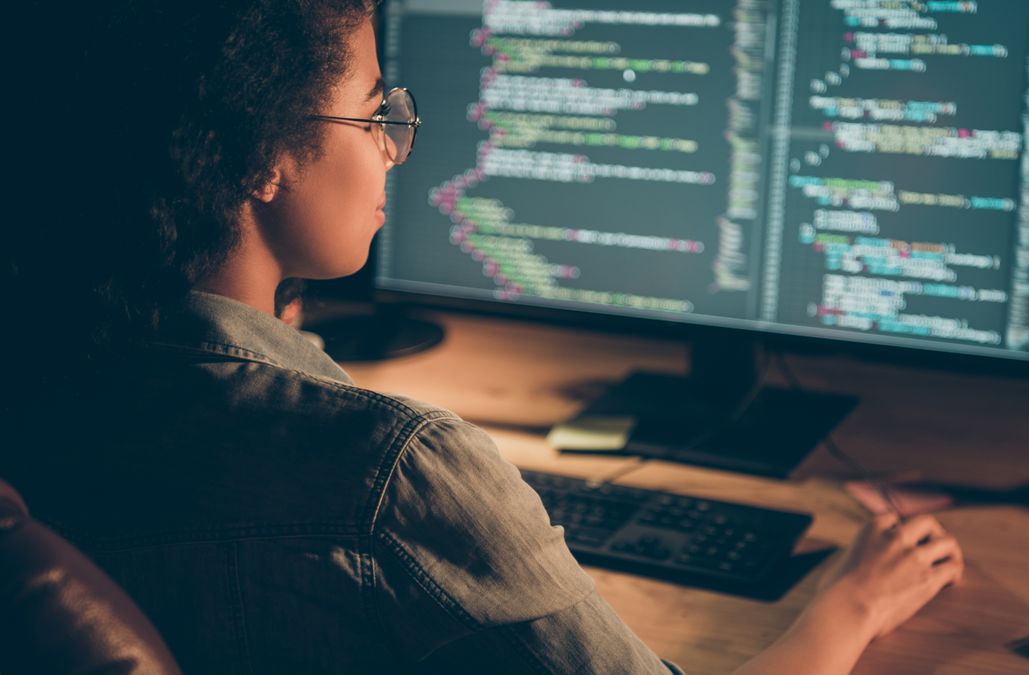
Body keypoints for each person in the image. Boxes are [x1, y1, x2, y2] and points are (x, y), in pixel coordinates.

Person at [2, 2, 964, 672]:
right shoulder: (399, 470)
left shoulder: (37, 390)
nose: (390, 143)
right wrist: (855, 602)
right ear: (260, 157)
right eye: (374, 108)